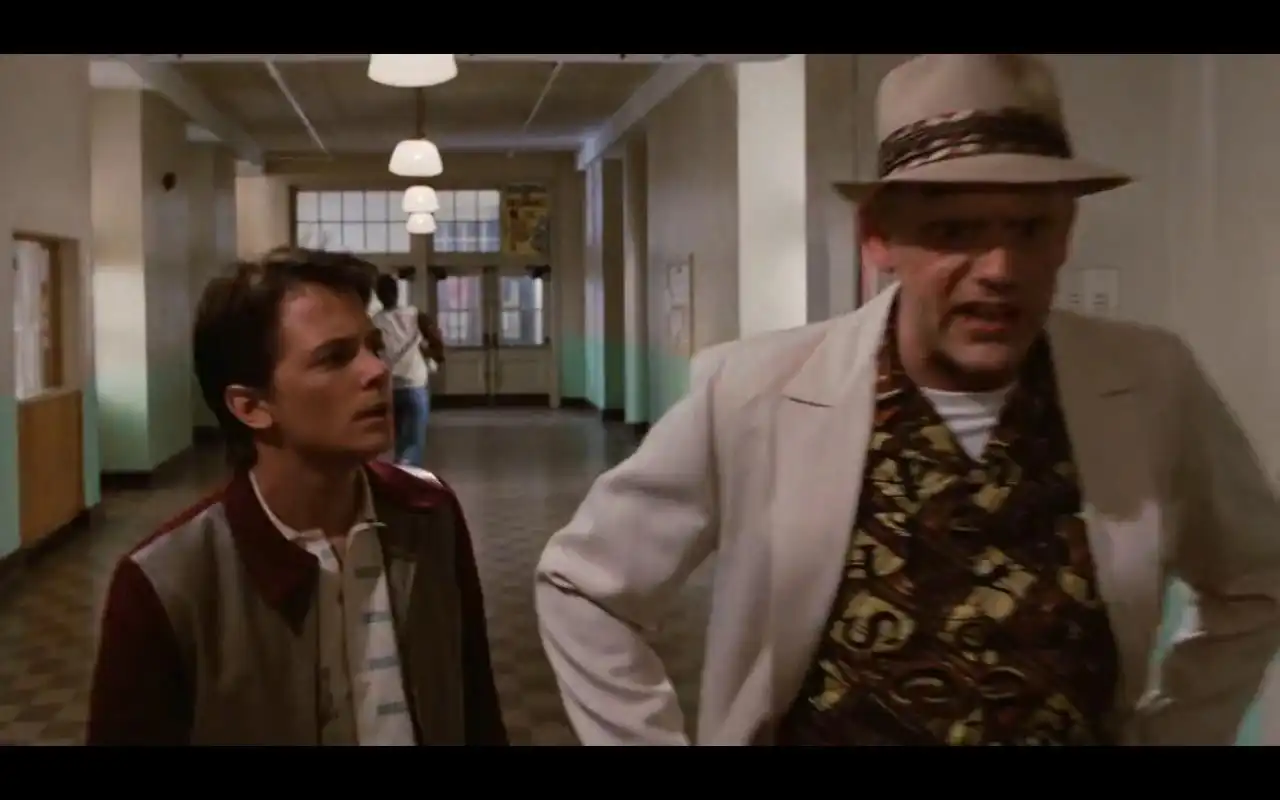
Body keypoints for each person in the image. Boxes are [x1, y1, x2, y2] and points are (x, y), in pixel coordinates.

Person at [534, 54, 1280, 746]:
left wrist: (1180, 731)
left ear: (1066, 234)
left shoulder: (1149, 383)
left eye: (1029, 228)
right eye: (955, 230)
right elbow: (583, 586)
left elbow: (1255, 579)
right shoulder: (754, 391)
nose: (1001, 268)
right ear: (878, 237)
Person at [87, 246, 506, 746]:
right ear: (251, 406)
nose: (377, 371)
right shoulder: (167, 581)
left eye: (373, 346)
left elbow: (476, 711)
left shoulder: (429, 514)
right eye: (334, 358)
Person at [372, 273, 444, 467]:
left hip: (391, 388)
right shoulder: (415, 314)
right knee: (413, 441)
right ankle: (406, 471)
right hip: (415, 385)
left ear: (378, 295)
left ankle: (400, 467)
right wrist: (434, 356)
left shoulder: (375, 323)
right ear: (397, 293)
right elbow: (436, 338)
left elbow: (371, 352)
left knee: (399, 437)